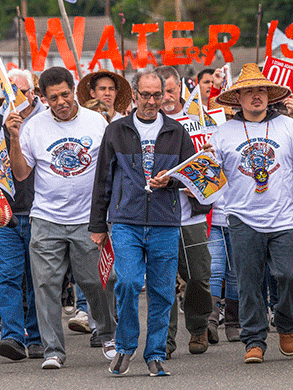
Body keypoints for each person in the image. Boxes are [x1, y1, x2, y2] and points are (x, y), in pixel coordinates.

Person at [8, 67, 117, 369]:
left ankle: (108, 334)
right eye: (53, 97)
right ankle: (52, 350)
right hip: (46, 219)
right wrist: (15, 138)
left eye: (65, 94)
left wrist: (105, 217)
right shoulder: (33, 126)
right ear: (43, 98)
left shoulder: (97, 122)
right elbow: (20, 172)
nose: (61, 102)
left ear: (74, 90)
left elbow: (111, 167)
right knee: (45, 286)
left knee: (97, 281)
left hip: (88, 220)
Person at [208, 63, 293, 364]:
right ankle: (254, 340)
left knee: (290, 276)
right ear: (238, 98)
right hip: (242, 218)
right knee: (248, 281)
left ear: (269, 96)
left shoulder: (290, 126)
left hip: (283, 218)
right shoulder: (223, 133)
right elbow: (208, 174)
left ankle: (285, 324)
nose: (256, 96)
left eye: (261, 91)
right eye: (249, 92)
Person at [90, 68, 195, 376]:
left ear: (165, 95)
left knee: (163, 291)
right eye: (145, 95)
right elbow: (103, 179)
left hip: (165, 221)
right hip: (126, 220)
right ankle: (124, 347)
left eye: (157, 95)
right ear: (134, 95)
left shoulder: (176, 131)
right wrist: (97, 224)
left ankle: (156, 353)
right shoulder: (117, 130)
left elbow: (191, 174)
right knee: (129, 282)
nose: (151, 101)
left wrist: (171, 182)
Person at [0, 69, 46, 361]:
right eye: (8, 91)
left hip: (40, 210)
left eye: (19, 91)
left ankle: (38, 337)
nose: (14, 98)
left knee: (37, 276)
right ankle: (13, 337)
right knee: (10, 275)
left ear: (31, 93)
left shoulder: (44, 120)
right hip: (5, 214)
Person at [155, 65, 214, 356]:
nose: (164, 97)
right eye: (158, 92)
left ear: (180, 88)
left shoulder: (198, 118)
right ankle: (164, 340)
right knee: (162, 279)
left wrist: (200, 183)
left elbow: (212, 162)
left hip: (192, 214)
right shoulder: (147, 123)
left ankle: (199, 325)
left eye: (169, 90)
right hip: (159, 214)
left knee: (199, 276)